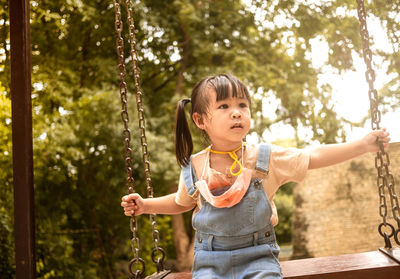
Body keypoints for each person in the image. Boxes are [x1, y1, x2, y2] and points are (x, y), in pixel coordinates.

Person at [121, 74, 390, 278]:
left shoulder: (265, 157)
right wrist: (146, 205)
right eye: (224, 106)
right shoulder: (195, 165)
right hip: (210, 260)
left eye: (242, 104)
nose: (237, 111)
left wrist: (362, 145)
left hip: (258, 255)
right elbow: (182, 202)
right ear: (200, 120)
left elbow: (313, 156)